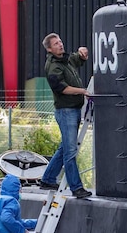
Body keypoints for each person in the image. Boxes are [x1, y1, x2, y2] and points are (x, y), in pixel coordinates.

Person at [38, 33, 92, 199]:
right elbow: (62, 89)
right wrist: (83, 91)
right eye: (56, 44)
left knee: (64, 148)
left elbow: (78, 58)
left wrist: (83, 52)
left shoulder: (64, 60)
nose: (60, 45)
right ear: (49, 49)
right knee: (70, 151)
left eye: (60, 41)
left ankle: (47, 179)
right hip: (66, 111)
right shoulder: (53, 67)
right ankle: (76, 188)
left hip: (74, 109)